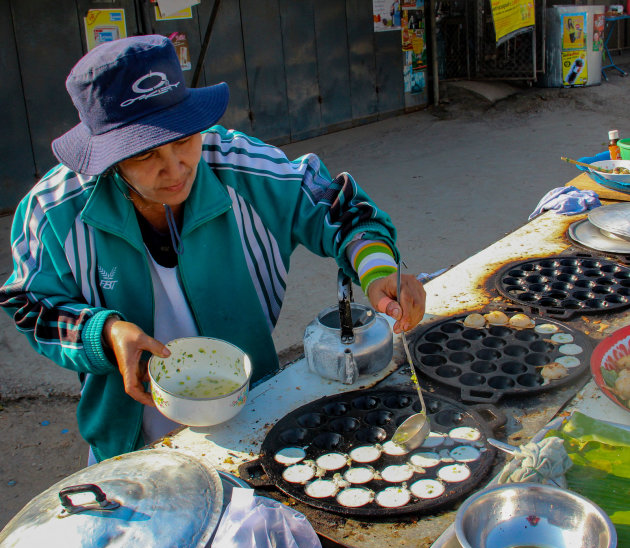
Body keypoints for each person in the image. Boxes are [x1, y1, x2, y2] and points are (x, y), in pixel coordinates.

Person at [0, 35, 426, 463]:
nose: (176, 169)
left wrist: (376, 271)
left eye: (184, 138)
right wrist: (105, 333)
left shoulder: (241, 166)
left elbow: (340, 210)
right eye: (146, 155)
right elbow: (31, 303)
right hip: (128, 446)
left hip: (252, 416)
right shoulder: (53, 211)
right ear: (108, 158)